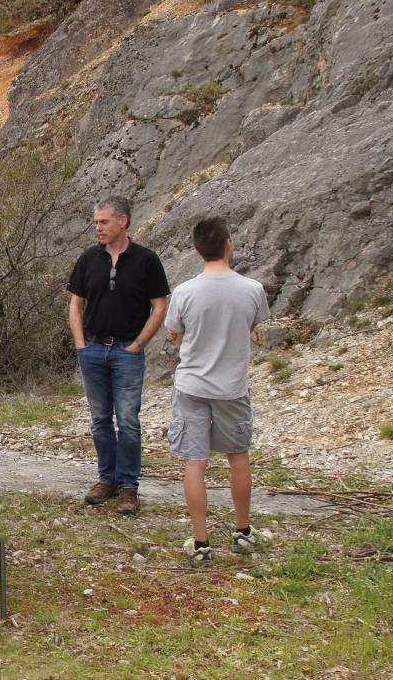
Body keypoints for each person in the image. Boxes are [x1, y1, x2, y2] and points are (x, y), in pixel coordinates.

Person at [164, 216, 272, 567]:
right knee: (237, 457)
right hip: (231, 387)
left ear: (197, 249)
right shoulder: (252, 290)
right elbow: (252, 325)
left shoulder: (184, 292)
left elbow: (176, 335)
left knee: (195, 463)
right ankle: (242, 531)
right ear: (229, 243)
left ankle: (201, 542)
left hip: (192, 385)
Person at [68, 197, 170, 516]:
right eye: (96, 222)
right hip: (94, 349)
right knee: (100, 418)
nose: (97, 227)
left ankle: (129, 486)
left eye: (103, 221)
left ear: (122, 221)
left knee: (127, 420)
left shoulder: (146, 260)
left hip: (127, 351)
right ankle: (106, 480)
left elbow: (160, 305)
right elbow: (75, 304)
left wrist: (139, 343)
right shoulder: (88, 259)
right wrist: (81, 343)